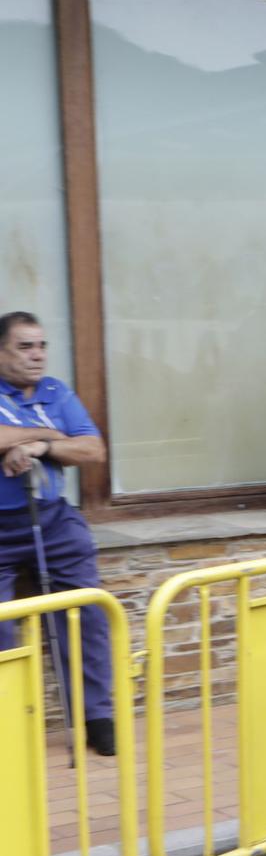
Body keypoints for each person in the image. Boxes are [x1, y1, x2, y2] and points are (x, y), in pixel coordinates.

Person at [0, 312, 113, 756]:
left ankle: (95, 715)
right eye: (25, 347)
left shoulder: (56, 391)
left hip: (52, 520)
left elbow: (92, 448)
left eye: (42, 345)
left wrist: (39, 448)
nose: (37, 355)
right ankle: (9, 720)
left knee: (87, 612)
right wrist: (47, 431)